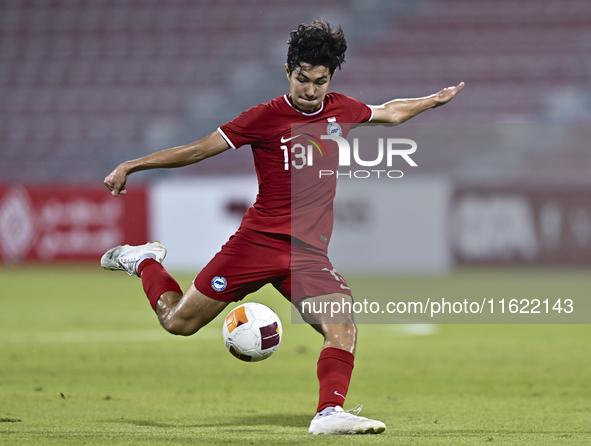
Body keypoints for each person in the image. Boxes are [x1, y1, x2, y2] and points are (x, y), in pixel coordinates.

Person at [101, 20, 463, 435]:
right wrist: (133, 165)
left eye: (320, 82)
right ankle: (146, 261)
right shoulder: (264, 117)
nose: (310, 91)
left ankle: (329, 413)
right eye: (303, 79)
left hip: (307, 255)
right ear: (288, 71)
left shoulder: (342, 109)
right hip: (257, 243)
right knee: (177, 322)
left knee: (341, 326)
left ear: (330, 79)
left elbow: (391, 112)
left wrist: (433, 101)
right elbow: (200, 150)